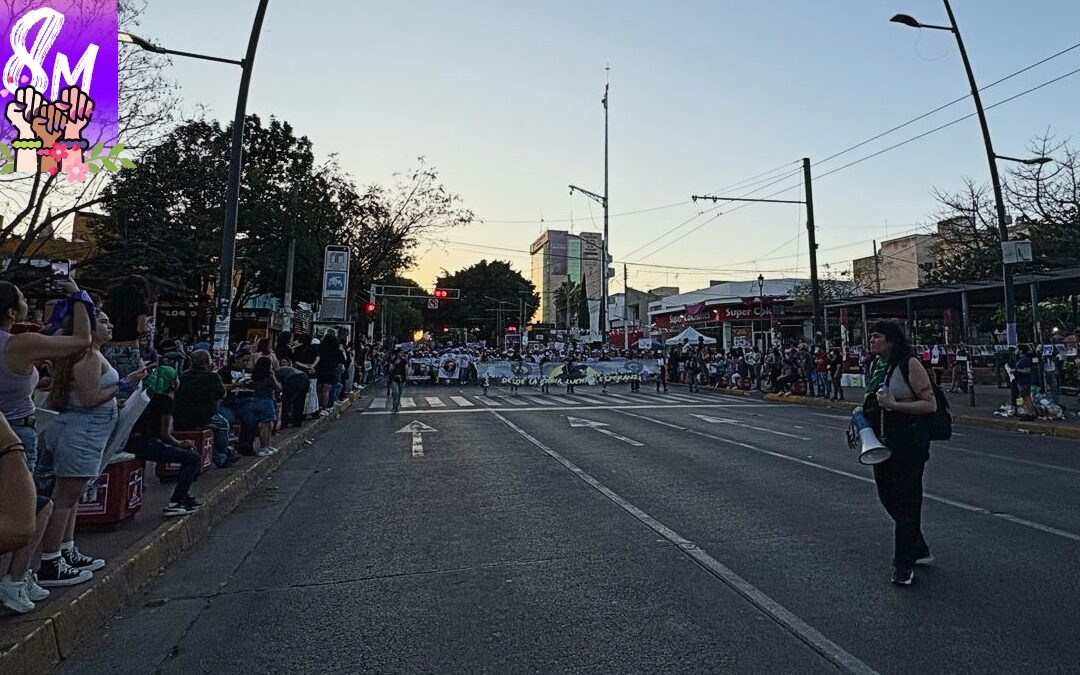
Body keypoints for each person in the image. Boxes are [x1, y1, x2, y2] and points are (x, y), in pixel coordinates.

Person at [0, 280, 92, 612]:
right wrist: (78, 296)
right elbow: (82, 339)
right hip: (15, 437)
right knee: (35, 507)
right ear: (12, 312)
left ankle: (20, 577)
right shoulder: (20, 345)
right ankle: (14, 579)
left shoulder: (22, 342)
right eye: (24, 297)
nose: (28, 302)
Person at [37, 310, 145, 587]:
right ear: (87, 328)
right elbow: (88, 399)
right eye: (104, 321)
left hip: (86, 435)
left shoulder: (93, 354)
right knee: (64, 499)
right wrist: (124, 385)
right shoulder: (87, 356)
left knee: (72, 499)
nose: (110, 325)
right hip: (80, 436)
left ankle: (67, 550)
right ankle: (51, 561)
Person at [862, 321, 938, 586]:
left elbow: (930, 404)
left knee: (907, 501)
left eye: (877, 336)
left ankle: (903, 564)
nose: (872, 341)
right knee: (886, 495)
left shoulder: (909, 364)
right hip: (882, 442)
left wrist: (894, 405)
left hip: (908, 443)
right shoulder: (876, 367)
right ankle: (916, 544)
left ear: (891, 340)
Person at [134, 366, 203, 517]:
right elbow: (165, 434)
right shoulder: (165, 401)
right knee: (192, 457)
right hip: (147, 444)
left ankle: (184, 496)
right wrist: (180, 443)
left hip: (133, 442)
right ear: (173, 383)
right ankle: (176, 502)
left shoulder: (145, 395)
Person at [174, 350, 235, 467]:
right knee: (223, 424)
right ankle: (224, 453)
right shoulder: (212, 376)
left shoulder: (182, 376)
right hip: (203, 418)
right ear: (207, 362)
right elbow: (222, 394)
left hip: (180, 418)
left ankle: (221, 457)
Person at [100, 275, 151, 381]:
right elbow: (140, 329)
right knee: (130, 383)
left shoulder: (110, 303)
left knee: (108, 381)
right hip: (129, 348)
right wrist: (148, 328)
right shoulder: (141, 305)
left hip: (107, 347)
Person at [249, 357, 281, 456]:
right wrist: (274, 376)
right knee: (266, 425)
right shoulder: (268, 376)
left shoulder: (254, 376)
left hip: (255, 401)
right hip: (267, 401)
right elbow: (278, 388)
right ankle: (264, 447)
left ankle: (266, 446)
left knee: (267, 424)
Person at [315, 331, 341, 413]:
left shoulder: (320, 348)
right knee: (326, 391)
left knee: (319, 390)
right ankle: (324, 408)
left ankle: (318, 406)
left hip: (320, 370)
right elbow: (342, 360)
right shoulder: (336, 350)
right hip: (331, 371)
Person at [1013, 344, 1034, 418]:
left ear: (1021, 351)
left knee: (1026, 397)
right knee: (1023, 397)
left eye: (1017, 349)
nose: (1016, 351)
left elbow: (1027, 370)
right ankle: (1025, 411)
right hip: (1020, 380)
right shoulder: (1020, 359)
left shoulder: (1025, 359)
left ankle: (1030, 413)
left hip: (1024, 381)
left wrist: (1016, 370)